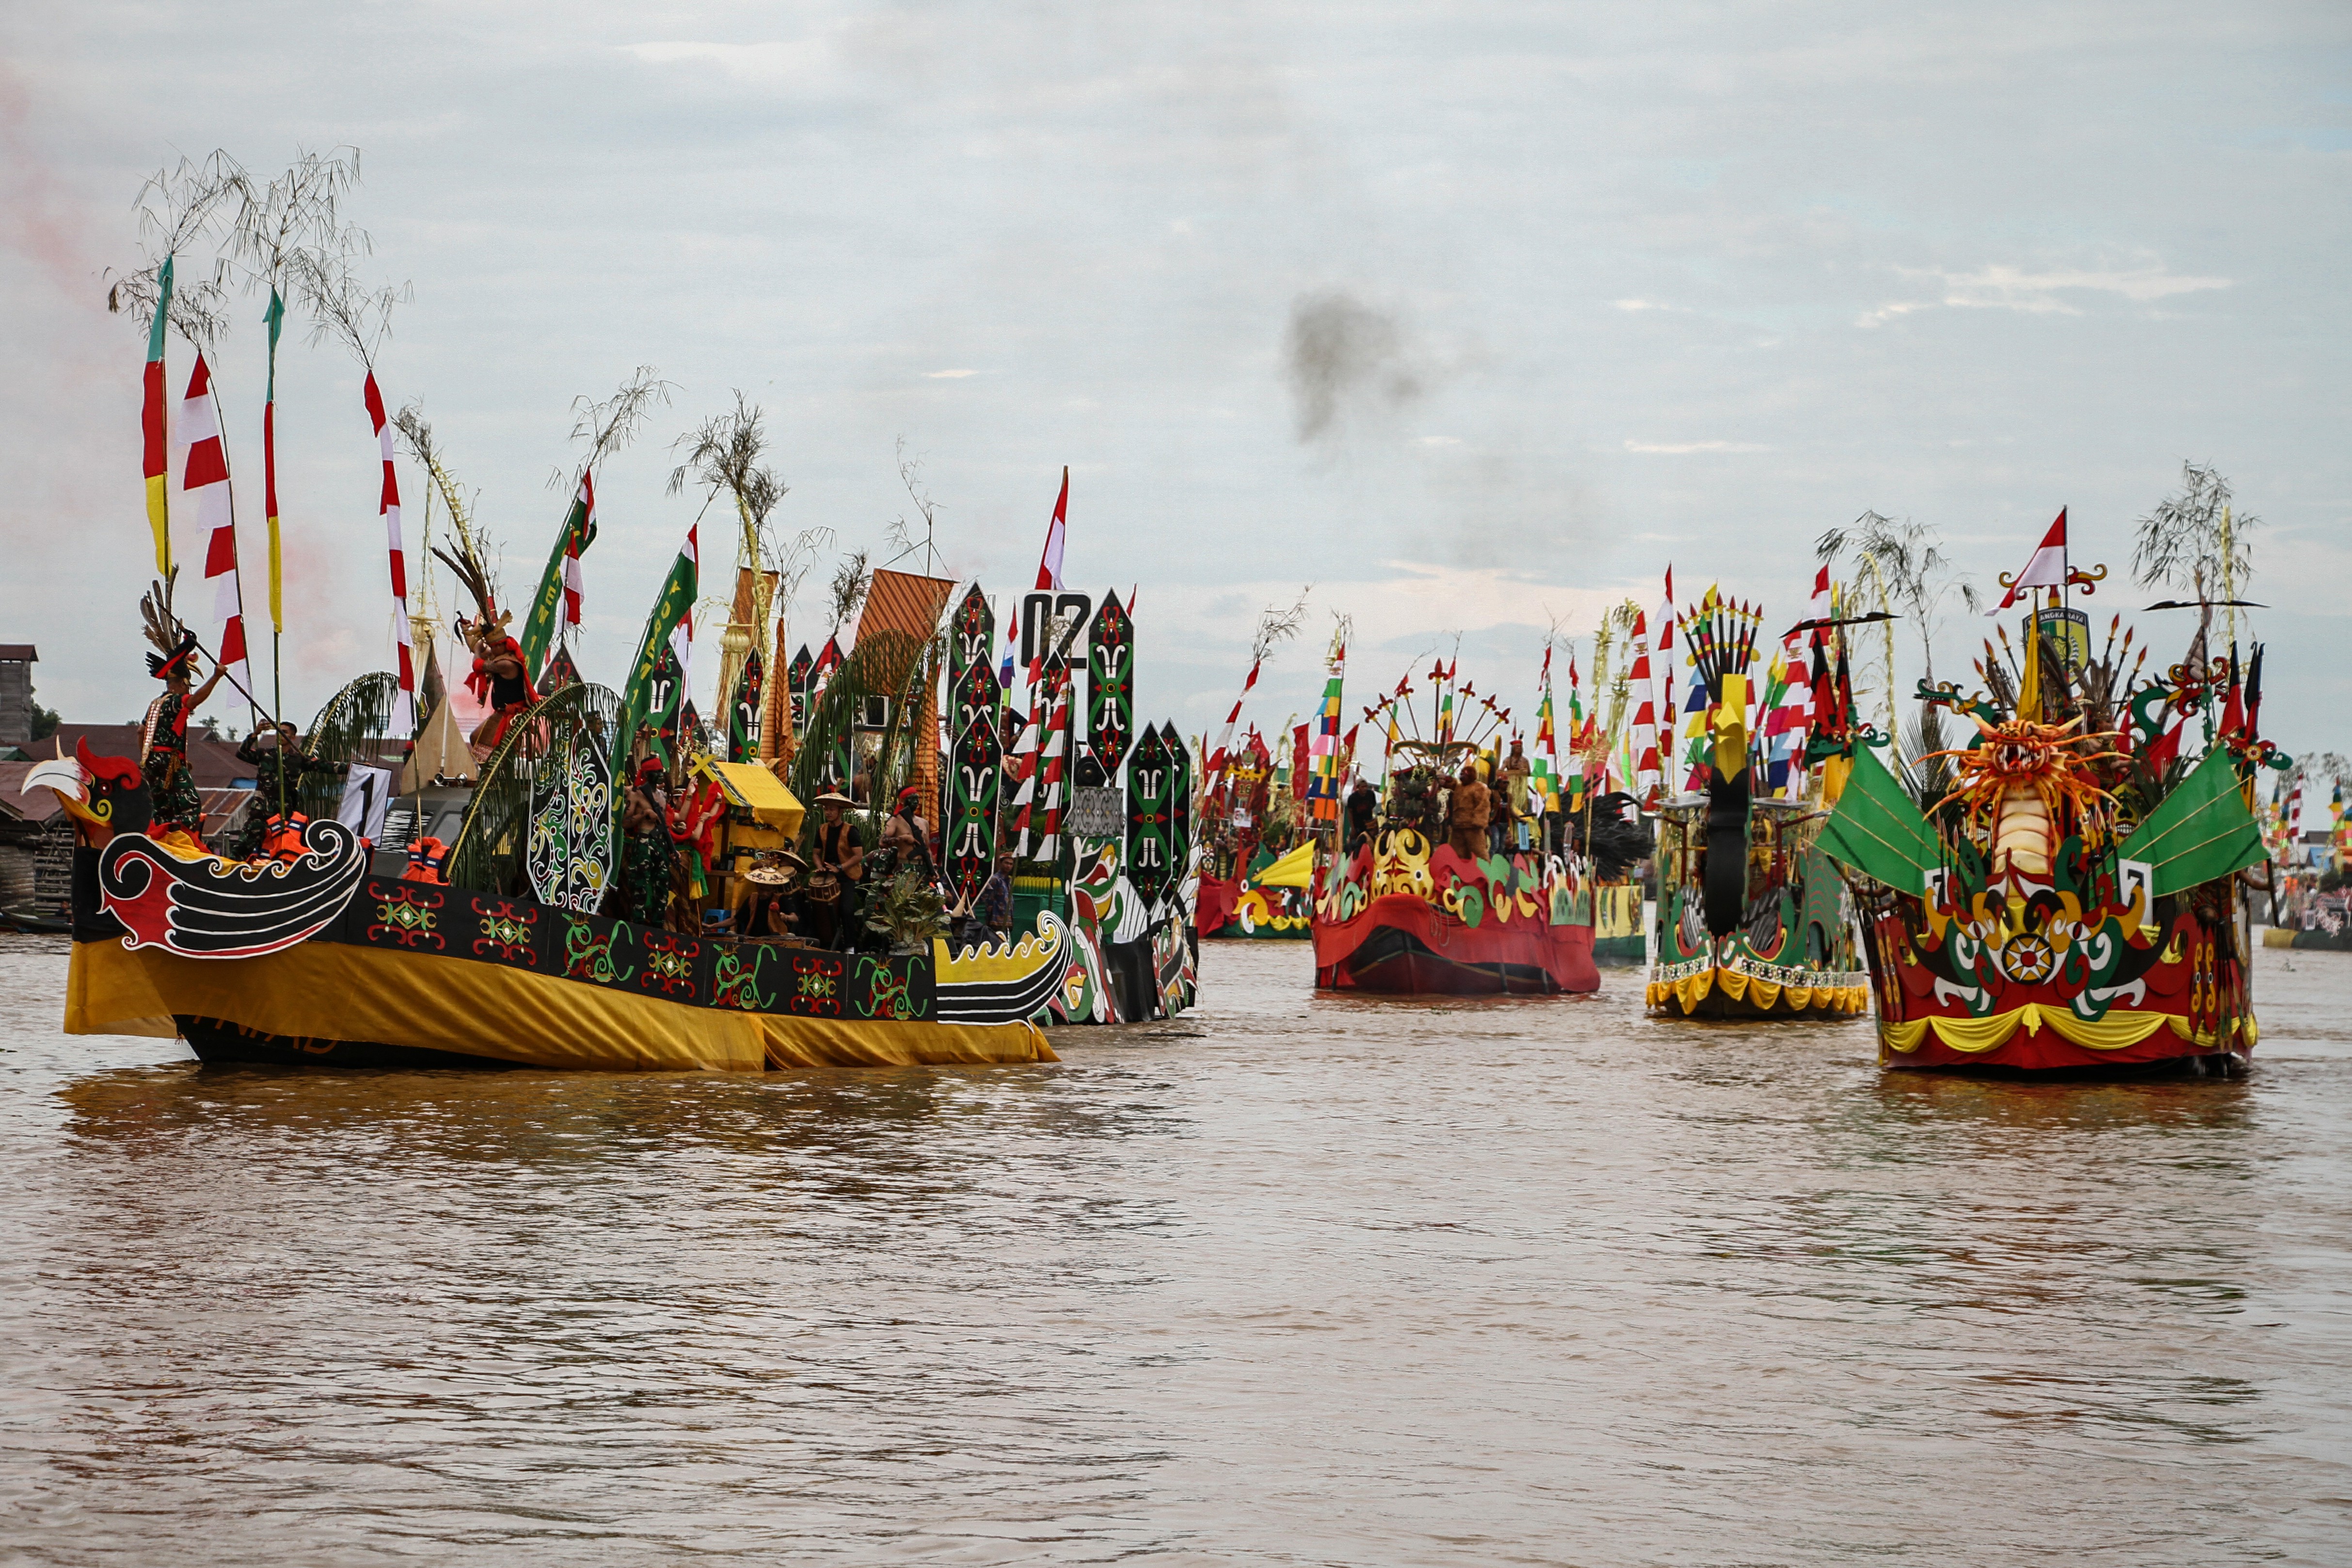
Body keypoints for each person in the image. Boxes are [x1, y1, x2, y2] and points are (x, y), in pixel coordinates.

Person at [141, 630, 225, 845]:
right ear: (182, 683)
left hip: (152, 761)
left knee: (163, 807)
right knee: (190, 805)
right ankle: (185, 844)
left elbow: (141, 732)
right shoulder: (175, 701)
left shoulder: (156, 703)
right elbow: (194, 701)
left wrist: (146, 759)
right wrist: (216, 677)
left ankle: (160, 843)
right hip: (169, 761)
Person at [233, 721, 347, 860]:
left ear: (293, 737)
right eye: (278, 732)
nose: (280, 735)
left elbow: (325, 766)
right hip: (261, 809)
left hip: (283, 812)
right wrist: (255, 734)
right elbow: (241, 753)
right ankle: (233, 865)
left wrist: (352, 768)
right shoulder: (265, 754)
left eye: (285, 732)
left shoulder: (299, 759)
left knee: (284, 845)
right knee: (247, 842)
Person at [620, 759, 672, 925]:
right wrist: (644, 814)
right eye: (656, 772)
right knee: (640, 884)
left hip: (660, 843)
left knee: (662, 885)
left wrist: (672, 849)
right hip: (644, 842)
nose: (660, 775)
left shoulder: (663, 796)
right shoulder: (636, 795)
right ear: (646, 774)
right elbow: (625, 822)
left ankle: (658, 922)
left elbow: (665, 825)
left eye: (661, 771)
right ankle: (639, 922)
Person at [1447, 764, 1490, 863]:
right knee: (1457, 853)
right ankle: (1458, 872)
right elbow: (1450, 783)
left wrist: (1478, 821)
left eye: (1465, 774)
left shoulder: (1479, 788)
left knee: (1479, 852)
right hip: (1458, 826)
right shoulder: (1459, 787)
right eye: (1461, 774)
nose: (1462, 776)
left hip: (1472, 827)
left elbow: (1483, 806)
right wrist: (1445, 779)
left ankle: (1485, 873)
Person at [978, 853, 1015, 942]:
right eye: (1006, 863)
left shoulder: (1008, 880)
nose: (1008, 866)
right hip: (996, 918)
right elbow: (987, 897)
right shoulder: (995, 879)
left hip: (1008, 918)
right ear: (1001, 863)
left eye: (1011, 864)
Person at [1345, 776, 1379, 853]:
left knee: (1370, 841)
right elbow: (1350, 812)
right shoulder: (1353, 798)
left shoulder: (1371, 795)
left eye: (1366, 787)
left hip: (1369, 823)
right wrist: (1353, 827)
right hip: (1357, 824)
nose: (1365, 789)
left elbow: (1373, 806)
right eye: (1363, 787)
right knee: (1356, 843)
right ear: (1358, 787)